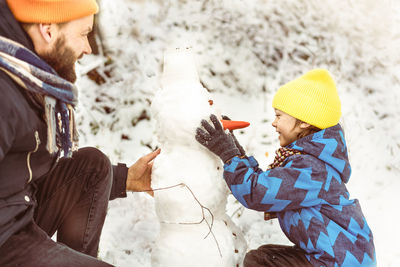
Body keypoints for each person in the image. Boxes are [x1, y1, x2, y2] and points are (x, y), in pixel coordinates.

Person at [0, 0, 160, 266]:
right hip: (6, 238)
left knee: (91, 166)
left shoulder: (24, 73)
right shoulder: (4, 92)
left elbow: (20, 166)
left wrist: (126, 178)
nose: (87, 48)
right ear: (48, 30)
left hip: (16, 211)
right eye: (84, 34)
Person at [196, 69, 376, 266]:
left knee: (261, 263)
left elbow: (257, 193)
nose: (274, 123)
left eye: (279, 115)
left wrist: (228, 152)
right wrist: (232, 148)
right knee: (267, 256)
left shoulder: (312, 169)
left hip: (336, 263)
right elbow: (268, 185)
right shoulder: (313, 162)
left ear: (304, 122)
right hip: (333, 259)